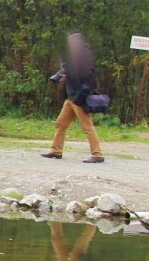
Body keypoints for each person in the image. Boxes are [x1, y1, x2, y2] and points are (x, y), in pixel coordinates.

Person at [42, 31, 104, 163]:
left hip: (79, 97)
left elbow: (84, 75)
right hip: (71, 97)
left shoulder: (84, 58)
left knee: (87, 127)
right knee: (60, 123)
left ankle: (97, 154)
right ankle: (56, 151)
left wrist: (67, 72)